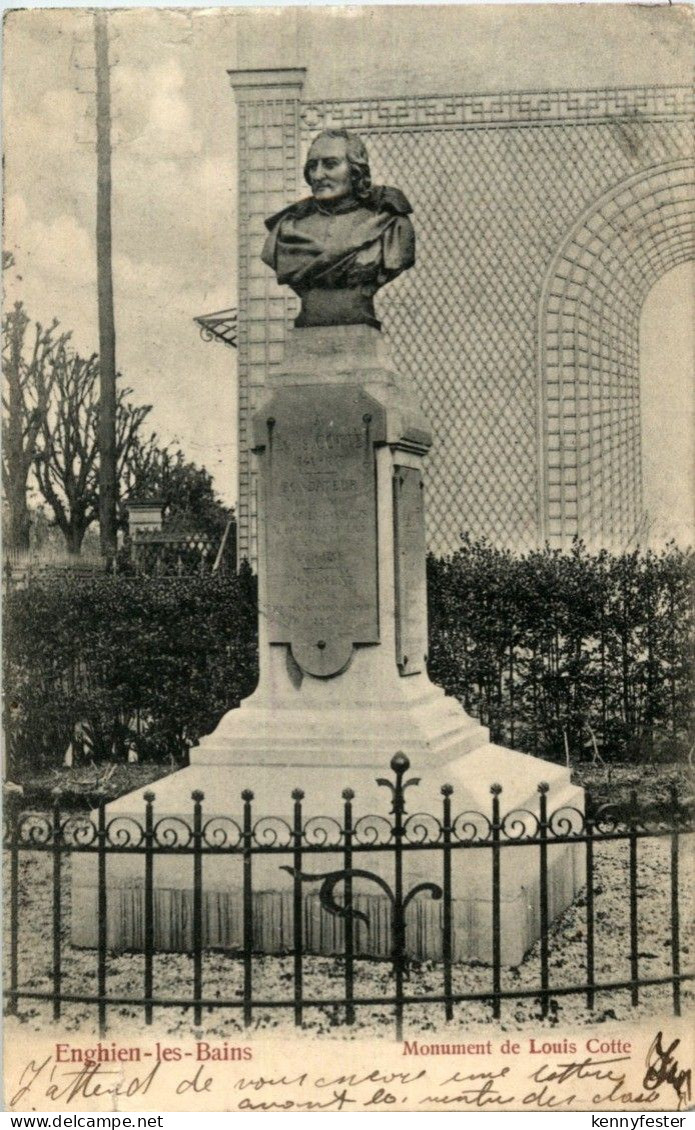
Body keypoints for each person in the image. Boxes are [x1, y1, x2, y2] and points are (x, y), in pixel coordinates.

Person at [261, 129, 415, 329]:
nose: (317, 175)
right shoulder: (286, 228)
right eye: (312, 166)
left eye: (330, 164)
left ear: (356, 171)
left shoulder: (390, 225)